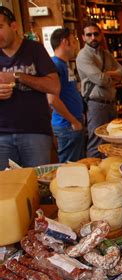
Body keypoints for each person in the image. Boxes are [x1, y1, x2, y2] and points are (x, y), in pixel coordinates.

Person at [0, 6, 60, 169]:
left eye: (0, 27)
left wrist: (18, 76)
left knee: (39, 186)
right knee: (7, 189)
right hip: (1, 135)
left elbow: (54, 87)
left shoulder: (35, 50)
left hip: (35, 132)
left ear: (14, 26)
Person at [76, 21, 122, 158]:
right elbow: (100, 80)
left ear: (101, 35)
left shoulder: (105, 54)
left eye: (96, 34)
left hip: (110, 102)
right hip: (96, 104)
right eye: (89, 34)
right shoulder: (83, 56)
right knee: (96, 143)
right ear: (83, 37)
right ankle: (94, 174)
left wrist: (109, 75)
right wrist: (112, 76)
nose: (93, 37)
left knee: (112, 141)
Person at [48, 27, 85, 163]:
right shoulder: (55, 65)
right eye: (74, 41)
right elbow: (52, 99)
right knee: (69, 169)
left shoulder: (63, 65)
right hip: (66, 125)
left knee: (77, 166)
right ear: (65, 42)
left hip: (72, 123)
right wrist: (73, 121)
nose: (76, 46)